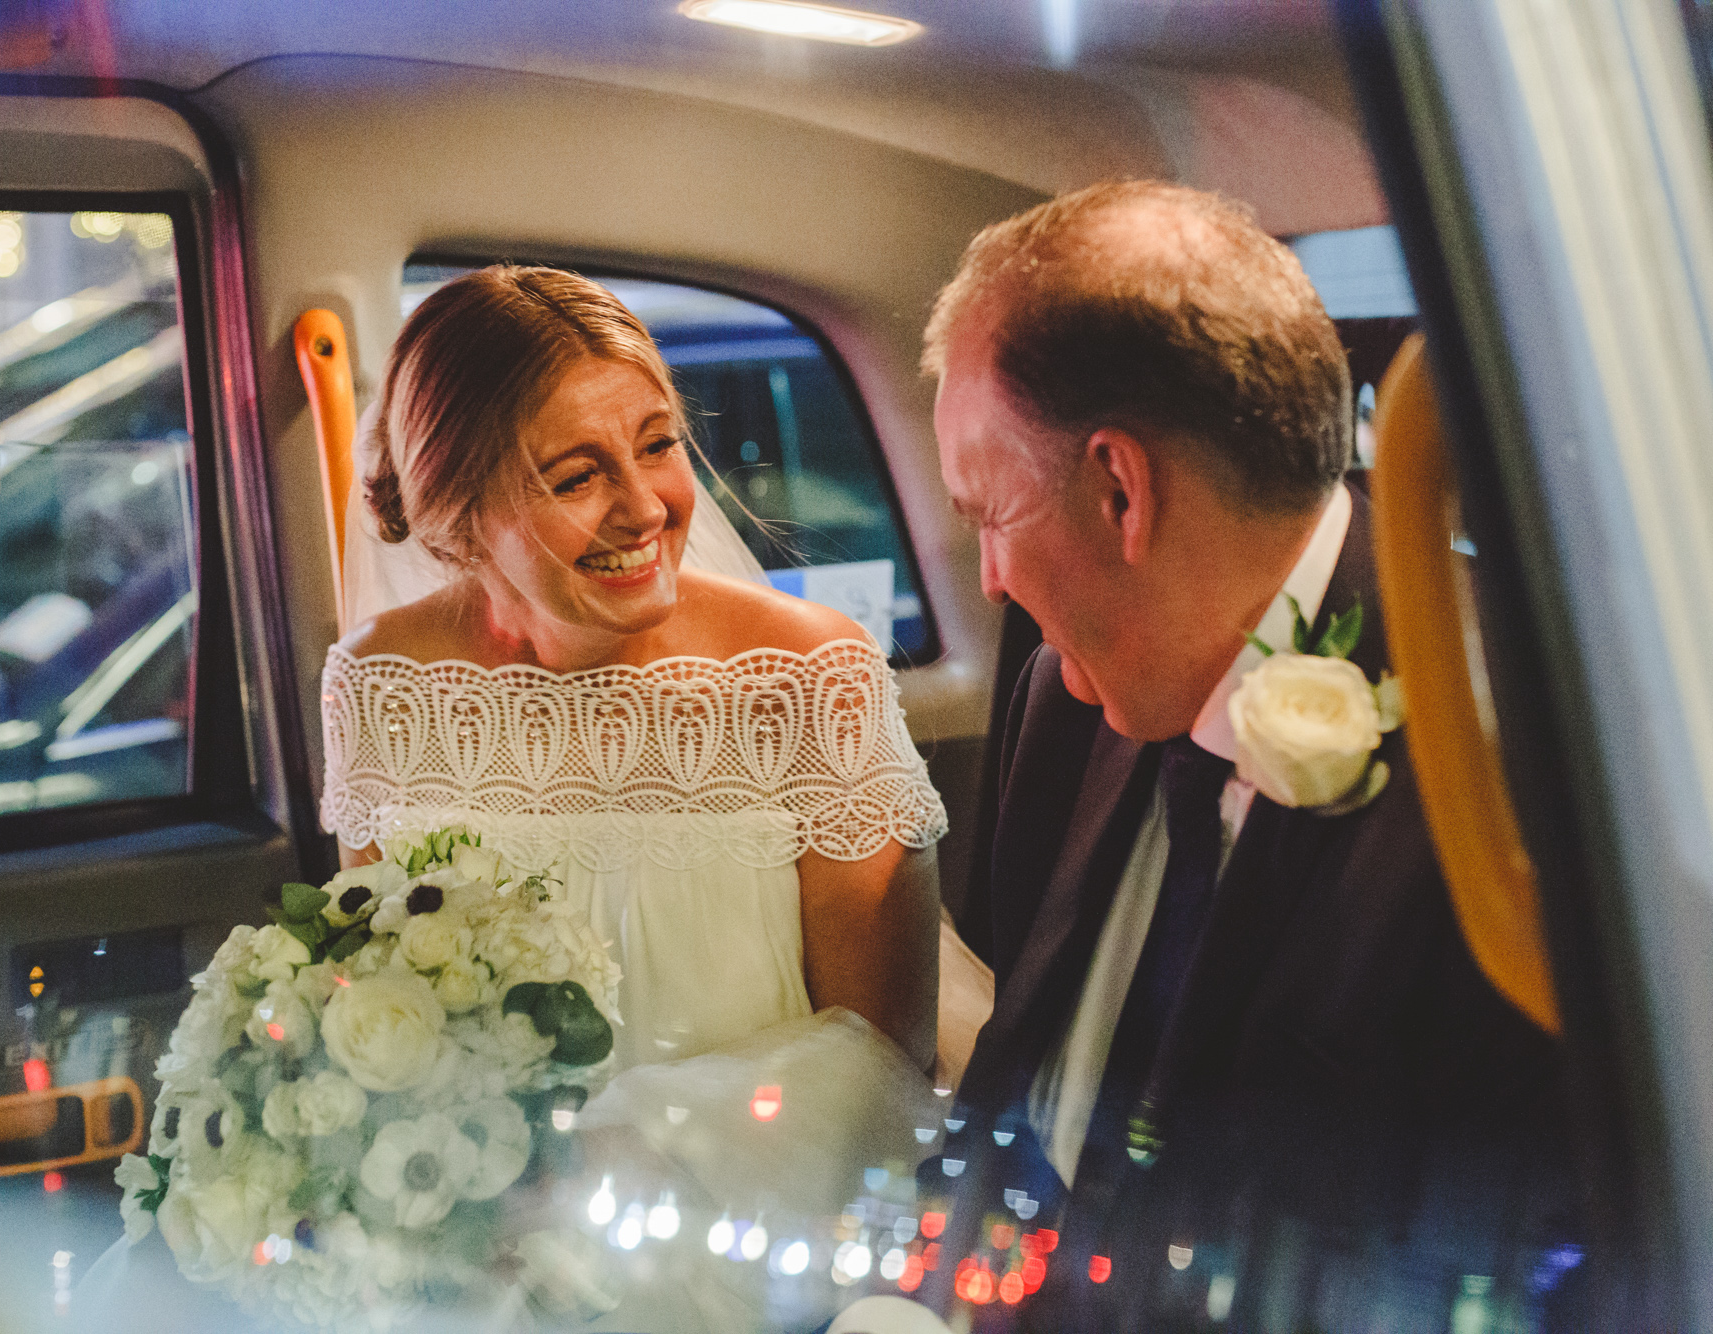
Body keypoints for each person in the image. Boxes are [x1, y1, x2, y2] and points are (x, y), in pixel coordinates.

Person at [920, 182, 1577, 1330]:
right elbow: (1009, 1091)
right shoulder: (1060, 697)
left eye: (987, 511)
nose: (988, 577)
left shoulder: (1514, 771)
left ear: (1119, 488)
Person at [317, 265, 949, 1328]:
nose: (645, 504)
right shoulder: (383, 682)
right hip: (489, 1274)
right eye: (575, 475)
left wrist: (618, 1161)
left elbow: (881, 1069)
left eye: (656, 444)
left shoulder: (803, 678)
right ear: (458, 515)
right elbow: (386, 1019)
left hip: (755, 1261)